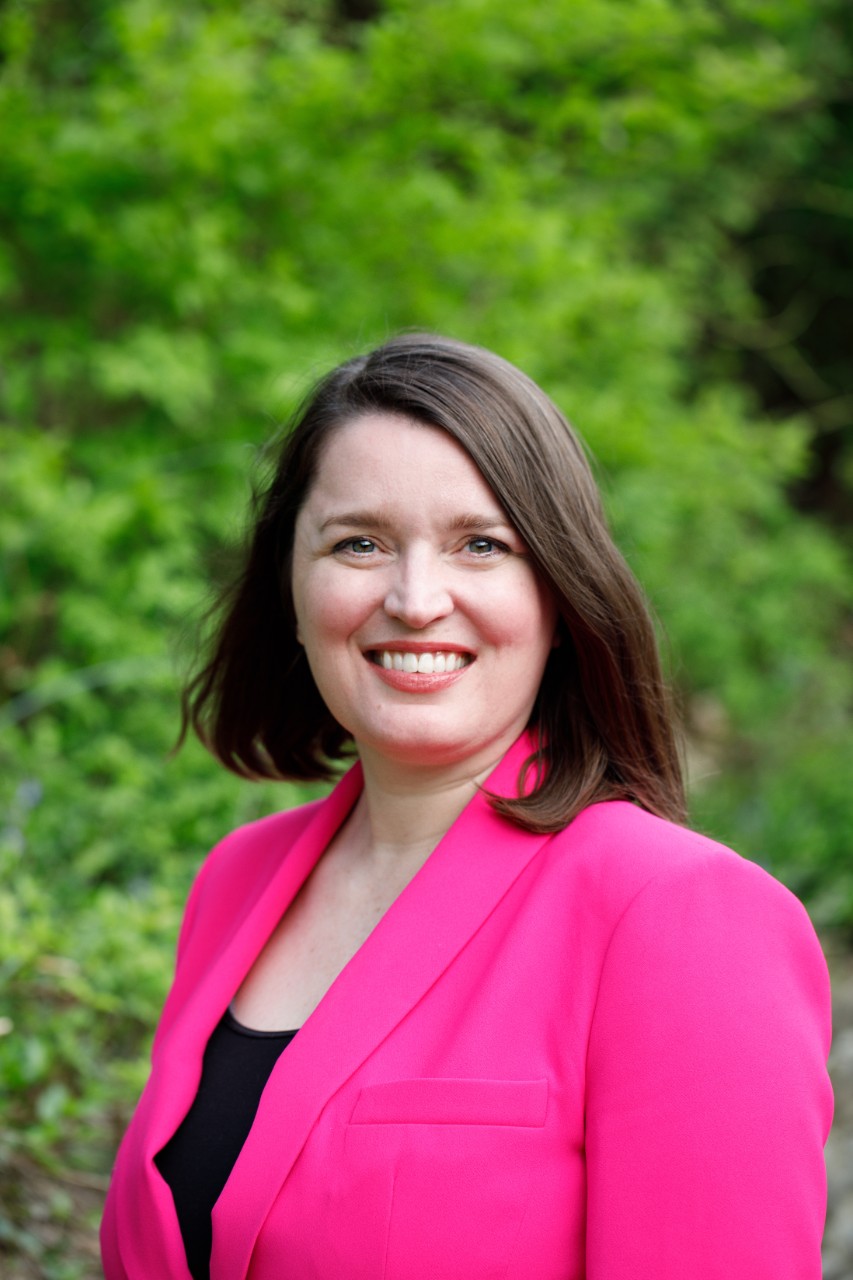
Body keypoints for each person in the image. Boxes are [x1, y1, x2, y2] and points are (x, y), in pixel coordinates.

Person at [101, 333, 833, 1280]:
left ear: (561, 599)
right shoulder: (235, 883)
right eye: (357, 542)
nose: (413, 599)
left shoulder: (677, 916)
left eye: (480, 546)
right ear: (292, 581)